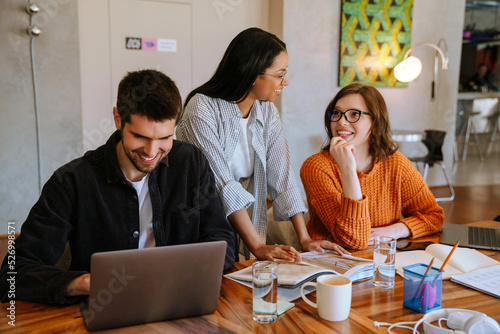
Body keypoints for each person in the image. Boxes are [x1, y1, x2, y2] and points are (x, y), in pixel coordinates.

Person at [0, 69, 236, 305]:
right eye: (140, 137)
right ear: (117, 118)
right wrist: (81, 283)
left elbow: (221, 237)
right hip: (103, 307)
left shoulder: (191, 163)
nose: (152, 152)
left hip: (179, 300)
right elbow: (12, 275)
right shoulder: (71, 182)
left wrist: (186, 272)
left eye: (165, 138)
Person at [176, 27, 348, 260]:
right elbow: (222, 184)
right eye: (280, 74)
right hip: (204, 219)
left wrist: (305, 239)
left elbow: (283, 178)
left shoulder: (266, 111)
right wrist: (257, 246)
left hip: (245, 219)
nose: (285, 82)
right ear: (252, 73)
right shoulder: (201, 108)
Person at [300, 83, 444, 250]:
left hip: (380, 260)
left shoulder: (395, 163)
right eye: (337, 113)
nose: (341, 122)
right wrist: (348, 170)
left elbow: (434, 216)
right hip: (330, 264)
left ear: (375, 122)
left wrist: (395, 230)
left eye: (354, 114)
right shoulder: (316, 167)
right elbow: (353, 240)